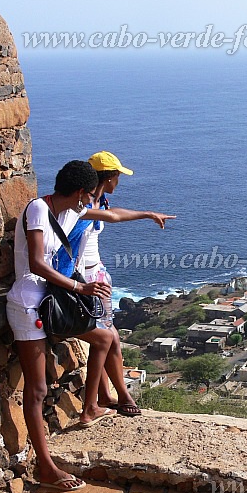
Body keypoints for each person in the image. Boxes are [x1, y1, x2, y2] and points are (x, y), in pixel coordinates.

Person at [5, 160, 172, 491]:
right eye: (88, 195)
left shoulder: (72, 211)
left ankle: (93, 404)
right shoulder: (39, 209)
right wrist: (80, 287)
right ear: (80, 191)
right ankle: (45, 467)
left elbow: (111, 215)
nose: (91, 201)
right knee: (36, 389)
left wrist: (148, 214)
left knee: (104, 338)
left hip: (53, 303)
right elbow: (37, 262)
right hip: (28, 305)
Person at [60, 151, 175, 414]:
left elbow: (111, 214)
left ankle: (108, 395)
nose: (119, 181)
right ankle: (117, 396)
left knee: (108, 337)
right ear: (110, 177)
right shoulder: (80, 207)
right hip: (84, 279)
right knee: (107, 336)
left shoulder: (100, 201)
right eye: (118, 176)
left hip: (96, 274)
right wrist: (147, 214)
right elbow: (111, 218)